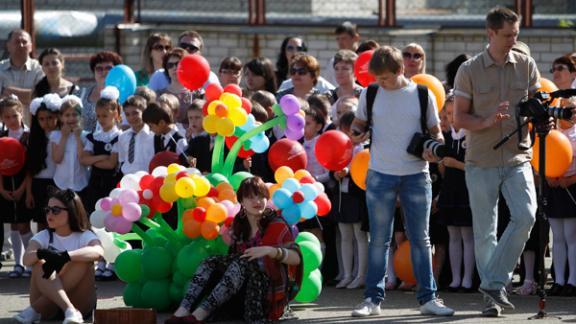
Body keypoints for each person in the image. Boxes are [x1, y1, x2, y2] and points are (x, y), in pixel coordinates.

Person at [349, 46, 454, 317]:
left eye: (384, 78)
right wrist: (356, 133)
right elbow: (359, 123)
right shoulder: (370, 93)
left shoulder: (421, 94)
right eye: (376, 78)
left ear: (400, 70)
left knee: (421, 238)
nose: (379, 83)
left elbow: (436, 132)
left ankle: (428, 299)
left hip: (416, 175)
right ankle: (372, 300)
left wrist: (435, 148)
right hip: (380, 174)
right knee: (379, 239)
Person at [452, 6, 543, 316]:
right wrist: (488, 120)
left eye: (516, 34)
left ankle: (494, 281)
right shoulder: (469, 70)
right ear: (490, 33)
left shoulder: (527, 65)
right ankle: (492, 298)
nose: (512, 40)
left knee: (526, 215)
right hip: (481, 160)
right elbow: (459, 116)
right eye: (507, 35)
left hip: (518, 155)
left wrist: (544, 118)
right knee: (485, 232)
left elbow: (536, 105)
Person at [166, 176, 302, 323]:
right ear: (242, 201)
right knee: (210, 262)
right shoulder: (239, 224)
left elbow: (296, 258)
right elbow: (232, 259)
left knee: (243, 262)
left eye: (261, 196)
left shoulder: (276, 224)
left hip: (265, 292)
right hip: (237, 288)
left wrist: (271, 251)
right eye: (250, 197)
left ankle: (198, 315)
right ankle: (182, 310)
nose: (257, 201)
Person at [15, 188, 103, 323]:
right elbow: (26, 259)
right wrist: (41, 253)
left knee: (83, 260)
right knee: (39, 263)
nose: (50, 214)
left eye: (55, 210)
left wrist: (66, 256)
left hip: (80, 302)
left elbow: (98, 251)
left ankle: (34, 310)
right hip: (49, 309)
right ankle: (69, 310)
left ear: (72, 211)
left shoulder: (85, 235)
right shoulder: (44, 235)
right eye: (47, 210)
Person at [436, 92, 475, 293]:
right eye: (448, 113)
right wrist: (442, 165)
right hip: (450, 190)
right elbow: (442, 169)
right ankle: (455, 278)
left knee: (467, 236)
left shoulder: (470, 135)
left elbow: (475, 167)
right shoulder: (447, 137)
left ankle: (468, 279)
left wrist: (455, 164)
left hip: (466, 190)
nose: (451, 118)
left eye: (454, 113)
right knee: (453, 235)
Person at [333, 111, 368, 289]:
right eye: (344, 131)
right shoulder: (339, 147)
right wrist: (335, 173)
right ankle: (347, 274)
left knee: (360, 236)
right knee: (345, 235)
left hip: (357, 196)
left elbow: (361, 167)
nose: (348, 135)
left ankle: (361, 274)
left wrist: (347, 171)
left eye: (351, 131)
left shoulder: (361, 149)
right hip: (342, 195)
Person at [0, 95, 33, 279]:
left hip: (23, 184)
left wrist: (24, 190)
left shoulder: (28, 136)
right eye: (7, 117)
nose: (12, 120)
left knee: (23, 225)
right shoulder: (2, 136)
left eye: (14, 115)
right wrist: (1, 189)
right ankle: (18, 264)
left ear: (21, 113)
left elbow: (30, 168)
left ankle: (29, 263)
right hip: (6, 186)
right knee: (13, 225)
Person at [26, 95, 60, 234]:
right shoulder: (34, 139)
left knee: (57, 222)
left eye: (50, 118)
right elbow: (29, 169)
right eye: (41, 119)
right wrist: (28, 193)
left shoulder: (61, 136)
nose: (46, 122)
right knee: (41, 223)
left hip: (58, 183)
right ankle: (41, 253)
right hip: (38, 185)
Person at [148, 31, 220, 92]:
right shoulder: (160, 76)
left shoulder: (208, 77)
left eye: (192, 48)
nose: (186, 50)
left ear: (200, 53)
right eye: (183, 46)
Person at [50, 96, 90, 194]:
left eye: (74, 114)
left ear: (80, 116)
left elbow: (85, 161)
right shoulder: (56, 135)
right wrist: (64, 137)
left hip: (81, 184)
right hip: (61, 184)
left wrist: (77, 137)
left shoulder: (86, 136)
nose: (71, 118)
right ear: (61, 117)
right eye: (67, 115)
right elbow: (57, 159)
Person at [0, 29, 44, 112]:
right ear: (8, 46)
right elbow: (32, 96)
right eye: (17, 42)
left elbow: (40, 97)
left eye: (24, 42)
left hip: (31, 123)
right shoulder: (0, 68)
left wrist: (8, 91)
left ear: (31, 47)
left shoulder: (39, 68)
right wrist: (28, 95)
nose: (21, 45)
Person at [156, 48, 200, 129]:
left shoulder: (197, 94)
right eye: (170, 65)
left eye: (178, 64)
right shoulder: (159, 95)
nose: (174, 67)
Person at [79, 51, 123, 132]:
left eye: (108, 68)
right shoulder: (81, 94)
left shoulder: (124, 95)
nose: (104, 72)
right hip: (85, 143)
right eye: (99, 68)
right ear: (94, 72)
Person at [115, 95, 155, 177]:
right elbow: (122, 160)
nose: (131, 117)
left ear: (144, 112)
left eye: (135, 113)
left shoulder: (153, 136)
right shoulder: (123, 137)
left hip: (147, 179)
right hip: (127, 179)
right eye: (127, 114)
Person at [324, 21, 361, 86]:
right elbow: (328, 84)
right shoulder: (333, 62)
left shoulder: (363, 60)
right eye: (338, 39)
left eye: (344, 38)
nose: (340, 42)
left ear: (356, 38)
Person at [184, 99, 212, 173]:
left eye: (197, 117)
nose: (193, 121)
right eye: (190, 118)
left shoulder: (209, 137)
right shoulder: (191, 137)